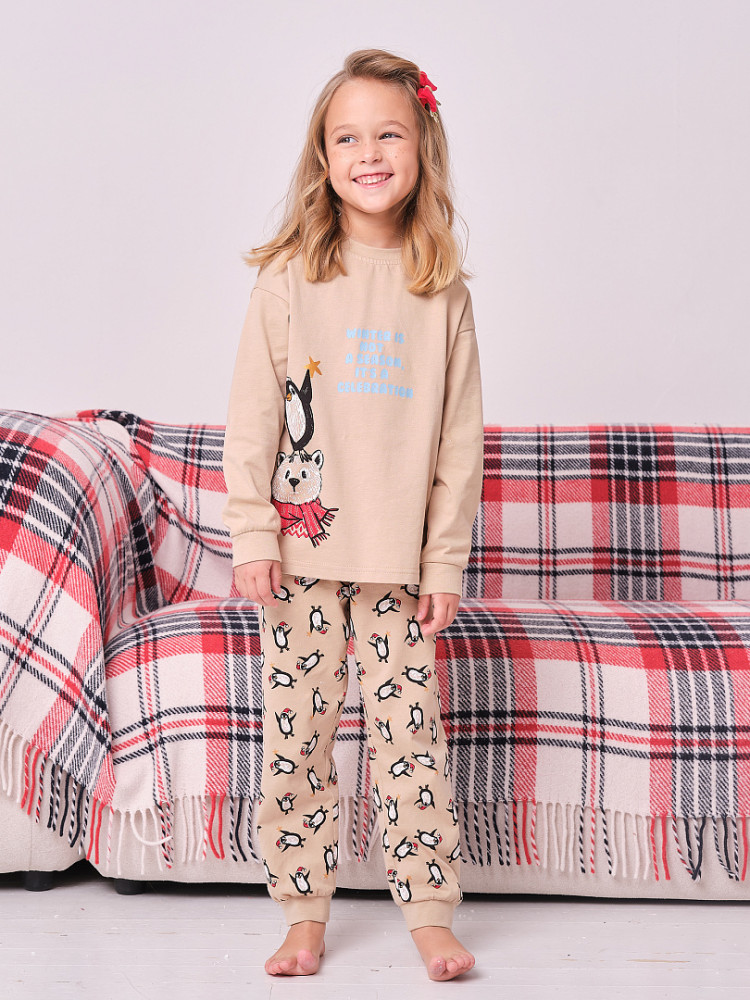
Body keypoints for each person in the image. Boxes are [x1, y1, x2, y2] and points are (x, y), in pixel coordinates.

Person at [222, 47, 483, 982]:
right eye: (347, 138)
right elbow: (254, 419)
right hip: (301, 562)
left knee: (411, 740)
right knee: (298, 744)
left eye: (388, 134)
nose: (368, 153)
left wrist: (443, 563)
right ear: (322, 155)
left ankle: (430, 915)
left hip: (399, 572)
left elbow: (458, 445)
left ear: (422, 148)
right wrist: (253, 533)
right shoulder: (290, 279)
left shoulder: (441, 290)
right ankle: (303, 916)